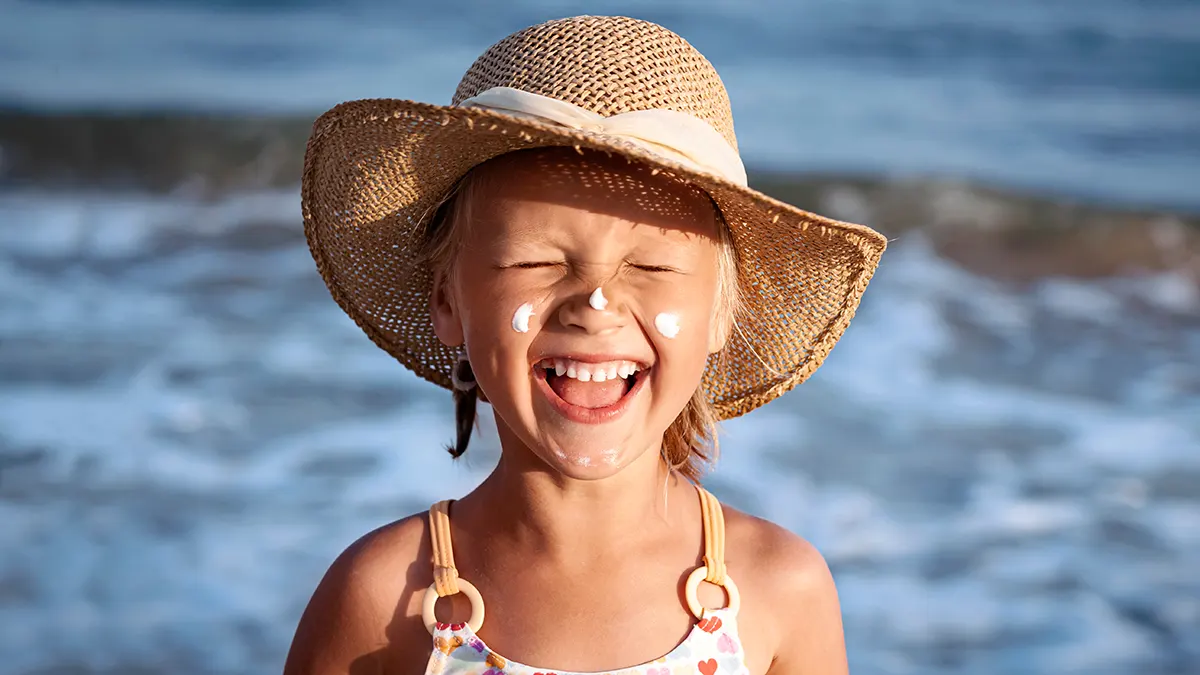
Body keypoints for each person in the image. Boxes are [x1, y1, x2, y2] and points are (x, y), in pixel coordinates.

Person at [285, 15, 886, 675]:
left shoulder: (778, 590)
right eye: (535, 262)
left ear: (719, 313)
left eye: (652, 268)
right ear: (447, 300)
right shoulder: (384, 601)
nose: (594, 306)